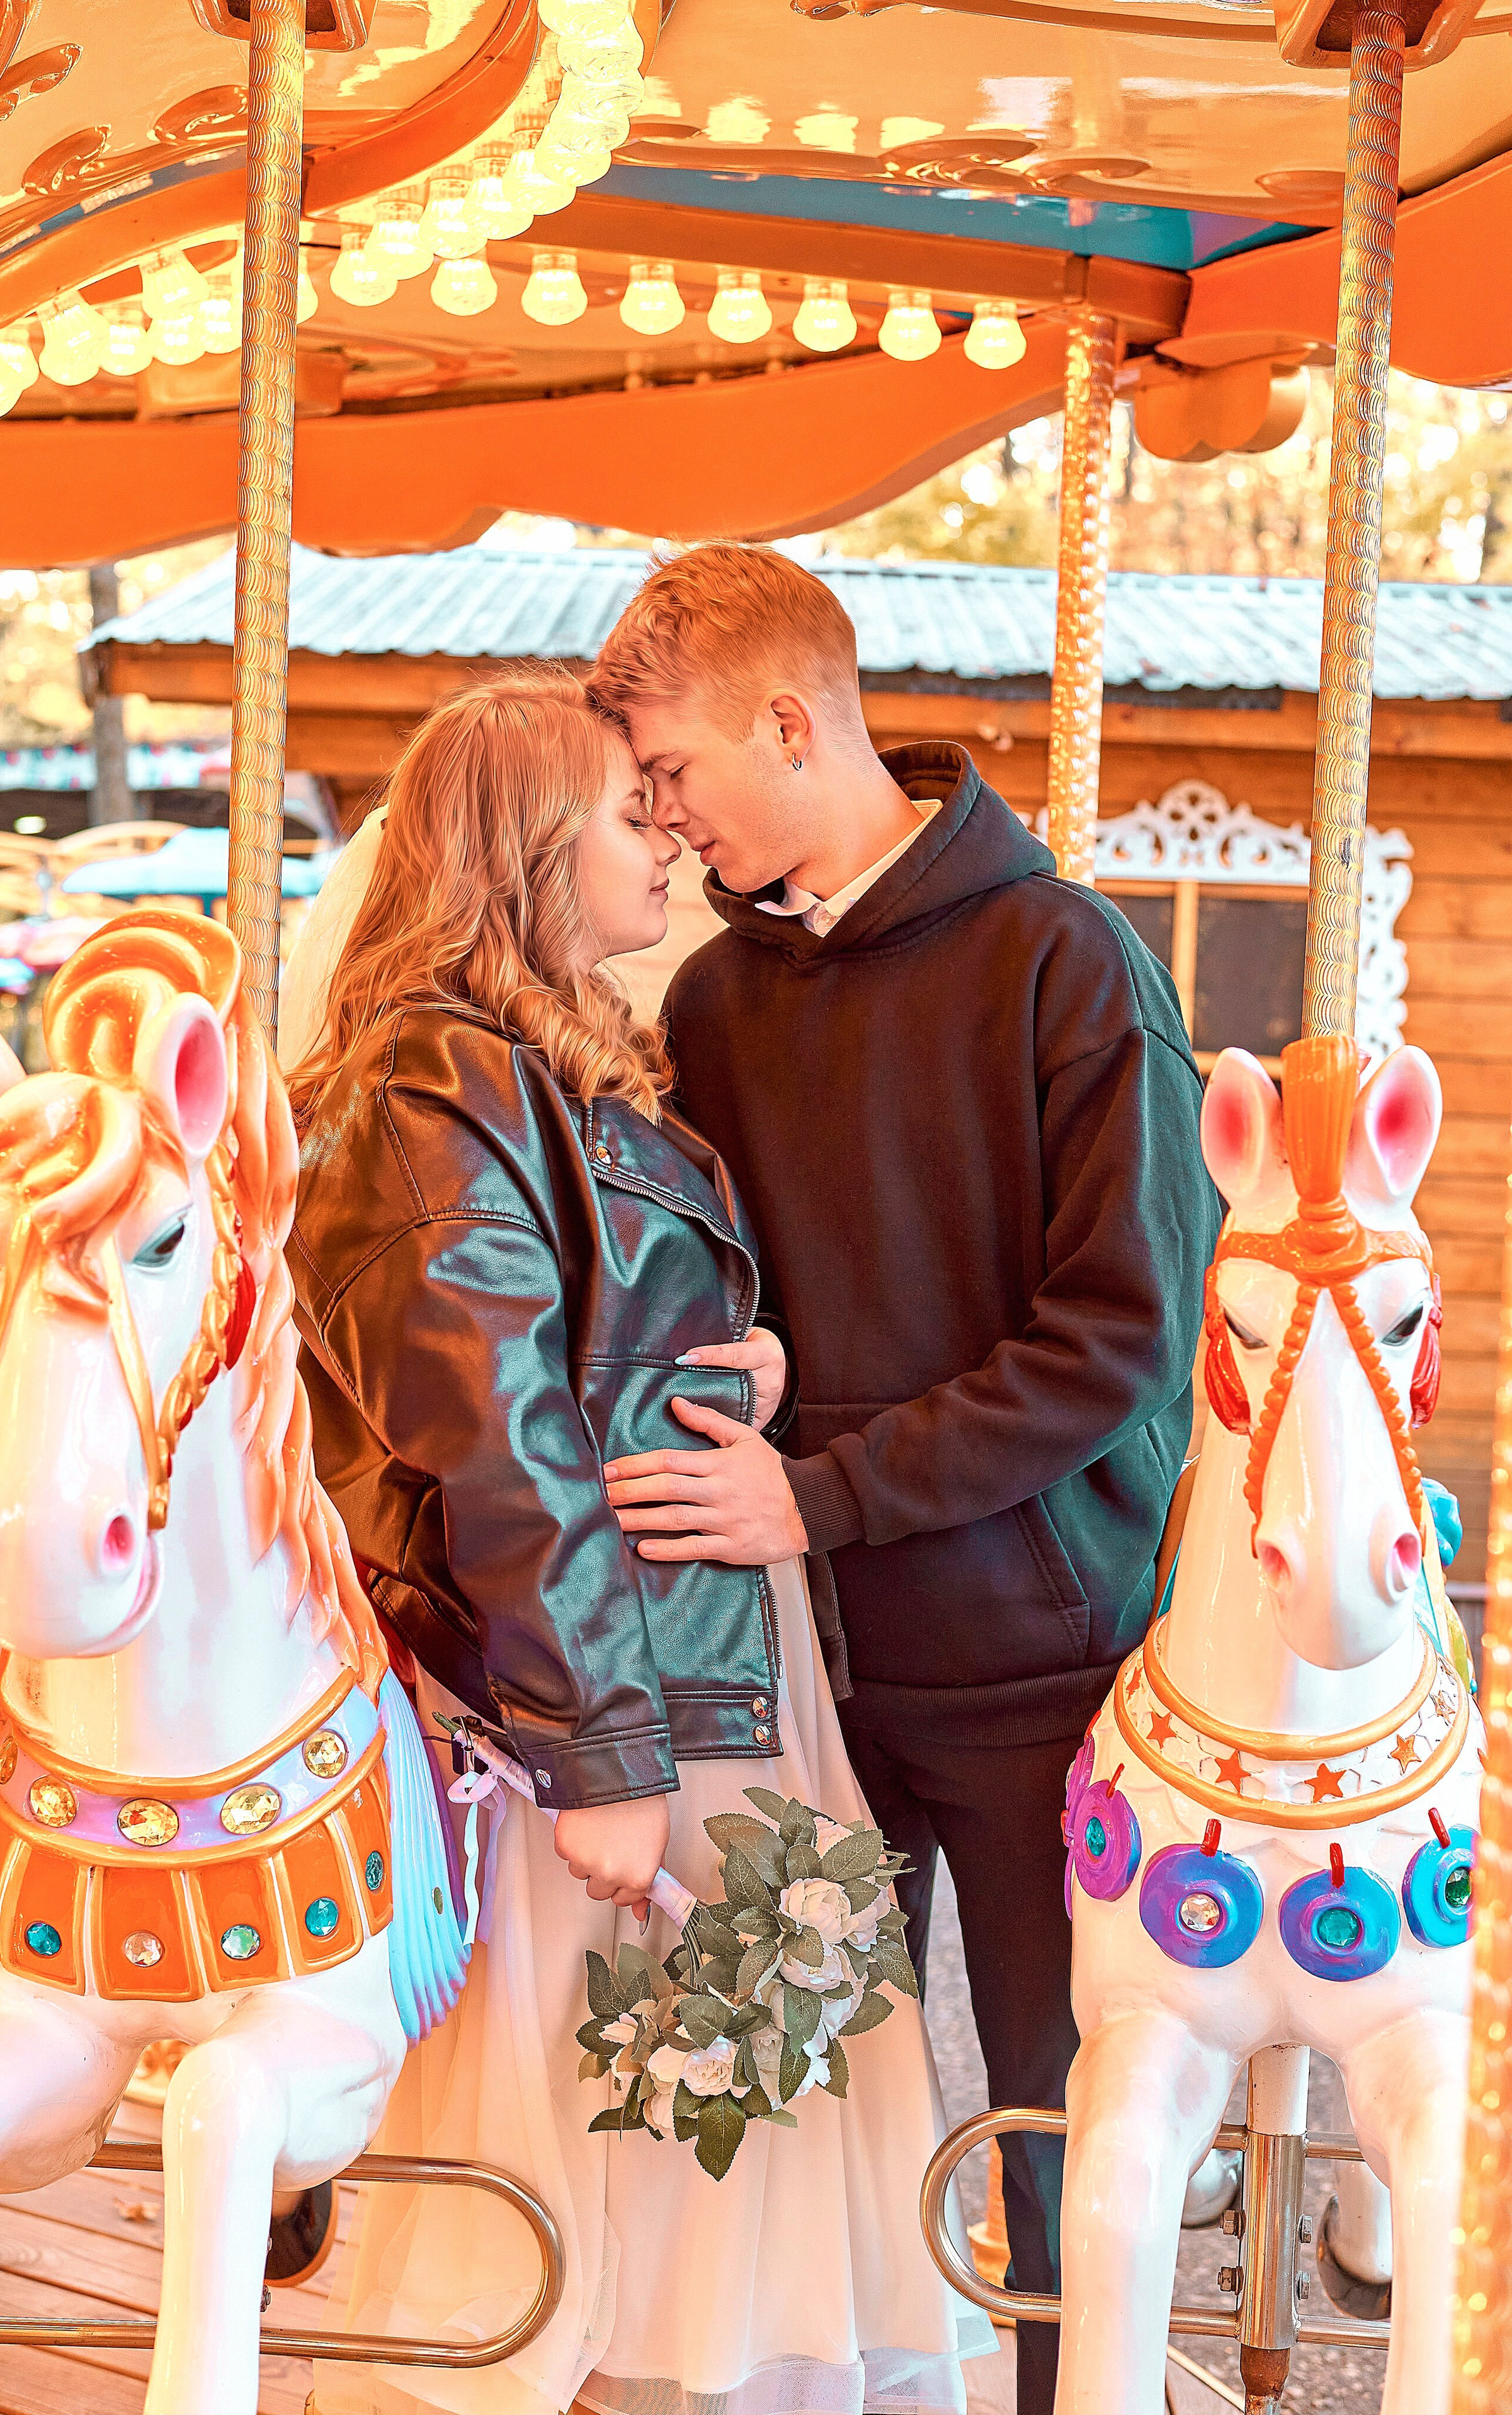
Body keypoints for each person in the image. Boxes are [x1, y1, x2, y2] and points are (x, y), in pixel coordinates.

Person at [281, 675, 991, 2415]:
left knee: (703, 2129)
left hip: (686, 1662)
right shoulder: (436, 1079)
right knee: (633, 2147)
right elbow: (498, 1447)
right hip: (606, 1693)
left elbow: (584, 1352)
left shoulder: (548, 1065)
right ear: (526, 849)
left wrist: (741, 1349)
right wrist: (604, 1751)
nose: (668, 831)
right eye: (628, 809)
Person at [586, 545, 1220, 2415]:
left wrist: (825, 1489)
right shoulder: (714, 999)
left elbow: (1116, 1345)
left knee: (1047, 2130)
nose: (667, 812)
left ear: (792, 721)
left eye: (679, 769)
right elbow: (732, 1278)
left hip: (1030, 1673)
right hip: (795, 1666)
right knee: (797, 2127)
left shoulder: (1067, 964)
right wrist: (758, 1363)